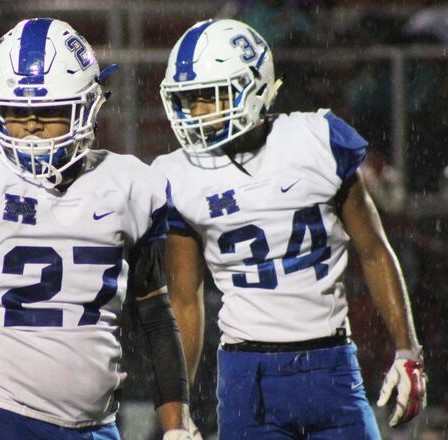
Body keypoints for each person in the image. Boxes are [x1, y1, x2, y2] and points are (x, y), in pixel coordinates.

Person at [0, 18, 200, 440]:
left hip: (98, 425)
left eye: (50, 110)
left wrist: (177, 426)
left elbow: (154, 318)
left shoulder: (129, 184)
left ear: (88, 107)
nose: (31, 125)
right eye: (16, 112)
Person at [153, 18, 427, 439]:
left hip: (332, 359)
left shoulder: (318, 140)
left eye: (209, 96)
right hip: (247, 373)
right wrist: (178, 412)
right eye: (189, 100)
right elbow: (185, 300)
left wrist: (408, 350)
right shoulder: (178, 174)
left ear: (253, 85)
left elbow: (374, 250)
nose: (197, 112)